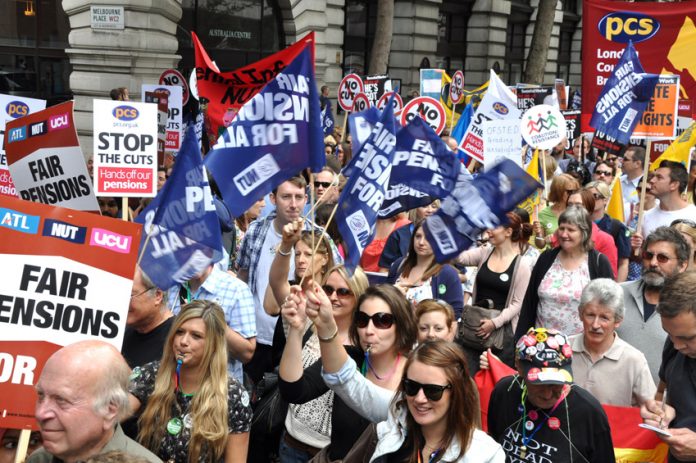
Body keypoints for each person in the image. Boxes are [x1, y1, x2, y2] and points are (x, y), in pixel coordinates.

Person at [279, 284, 417, 461]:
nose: (368, 330)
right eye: (362, 319)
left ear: (402, 323)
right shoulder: (348, 358)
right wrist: (296, 330)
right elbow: (294, 391)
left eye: (382, 320)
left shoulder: (415, 375)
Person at [128, 301, 252, 463]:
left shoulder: (233, 394)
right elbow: (112, 414)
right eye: (179, 332)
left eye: (196, 336)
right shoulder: (152, 374)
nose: (183, 341)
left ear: (213, 344)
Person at [488, 327, 616, 463]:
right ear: (518, 366)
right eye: (538, 384)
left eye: (556, 384)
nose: (548, 394)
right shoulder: (505, 390)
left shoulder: (589, 413)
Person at [30, 341, 160, 463]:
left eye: (61, 400)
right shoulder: (40, 459)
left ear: (110, 410)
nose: (41, 413)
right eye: (41, 396)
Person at [237, 176, 313, 383]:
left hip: (296, 340)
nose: (293, 204)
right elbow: (242, 276)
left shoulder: (317, 237)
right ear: (272, 199)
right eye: (286, 197)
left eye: (299, 197)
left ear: (306, 199)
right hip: (255, 336)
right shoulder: (255, 231)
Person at [515, 206, 614, 340]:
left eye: (571, 230)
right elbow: (529, 304)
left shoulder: (598, 263)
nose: (563, 234)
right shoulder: (546, 258)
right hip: (541, 347)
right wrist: (520, 341)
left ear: (584, 232)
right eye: (561, 228)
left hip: (581, 349)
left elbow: (609, 307)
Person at [456, 210, 534, 369]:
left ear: (508, 232)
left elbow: (518, 303)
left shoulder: (522, 265)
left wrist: (494, 323)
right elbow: (460, 258)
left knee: (495, 380)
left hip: (501, 334)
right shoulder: (484, 252)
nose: (488, 231)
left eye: (494, 227)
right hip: (475, 327)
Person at [619, 226, 690, 382]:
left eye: (662, 258)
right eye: (648, 255)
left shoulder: (690, 309)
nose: (653, 263)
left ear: (683, 265)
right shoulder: (617, 294)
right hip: (615, 399)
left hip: (662, 402)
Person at [569, 278, 656, 406]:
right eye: (590, 315)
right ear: (580, 314)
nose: (595, 324)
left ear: (618, 320)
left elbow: (651, 409)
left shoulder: (634, 360)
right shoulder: (563, 348)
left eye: (604, 318)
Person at [640, 272, 696, 462]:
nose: (677, 345)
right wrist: (661, 412)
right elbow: (662, 392)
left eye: (688, 338)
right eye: (669, 333)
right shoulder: (674, 344)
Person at [166, 263, 256, 383]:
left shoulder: (236, 289)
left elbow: (246, 353)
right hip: (175, 383)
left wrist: (209, 319)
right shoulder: (171, 286)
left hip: (216, 389)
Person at [386, 221, 464, 317]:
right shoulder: (399, 264)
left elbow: (454, 315)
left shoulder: (448, 273)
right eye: (418, 236)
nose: (421, 242)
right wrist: (392, 293)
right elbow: (383, 303)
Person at [264, 224, 334, 317]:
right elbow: (271, 308)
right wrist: (282, 252)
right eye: (297, 254)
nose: (300, 260)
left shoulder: (333, 295)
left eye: (308, 254)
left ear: (325, 258)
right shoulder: (292, 290)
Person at [123, 267, 174, 368]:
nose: (122, 300)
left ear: (158, 296)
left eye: (129, 295)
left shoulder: (179, 338)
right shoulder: (119, 331)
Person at [586, 181, 630, 281]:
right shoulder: (578, 224)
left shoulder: (617, 227)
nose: (589, 200)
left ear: (605, 200)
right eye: (586, 196)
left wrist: (617, 288)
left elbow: (623, 263)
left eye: (595, 196)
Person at [379, 199, 440, 271]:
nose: (430, 210)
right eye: (424, 206)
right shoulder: (398, 235)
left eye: (434, 206)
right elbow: (384, 270)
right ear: (415, 208)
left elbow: (455, 269)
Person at [640, 161, 696, 238]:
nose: (652, 180)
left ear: (674, 185)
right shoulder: (646, 216)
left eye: (659, 177)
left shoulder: (693, 215)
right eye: (654, 176)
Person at [533, 173, 580, 249]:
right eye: (570, 192)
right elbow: (540, 245)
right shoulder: (543, 214)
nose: (573, 195)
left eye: (575, 192)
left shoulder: (578, 211)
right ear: (559, 191)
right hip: (553, 258)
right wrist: (539, 234)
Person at [620, 146, 646, 217]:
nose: (621, 161)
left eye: (625, 159)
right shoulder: (619, 181)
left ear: (637, 164)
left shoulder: (647, 187)